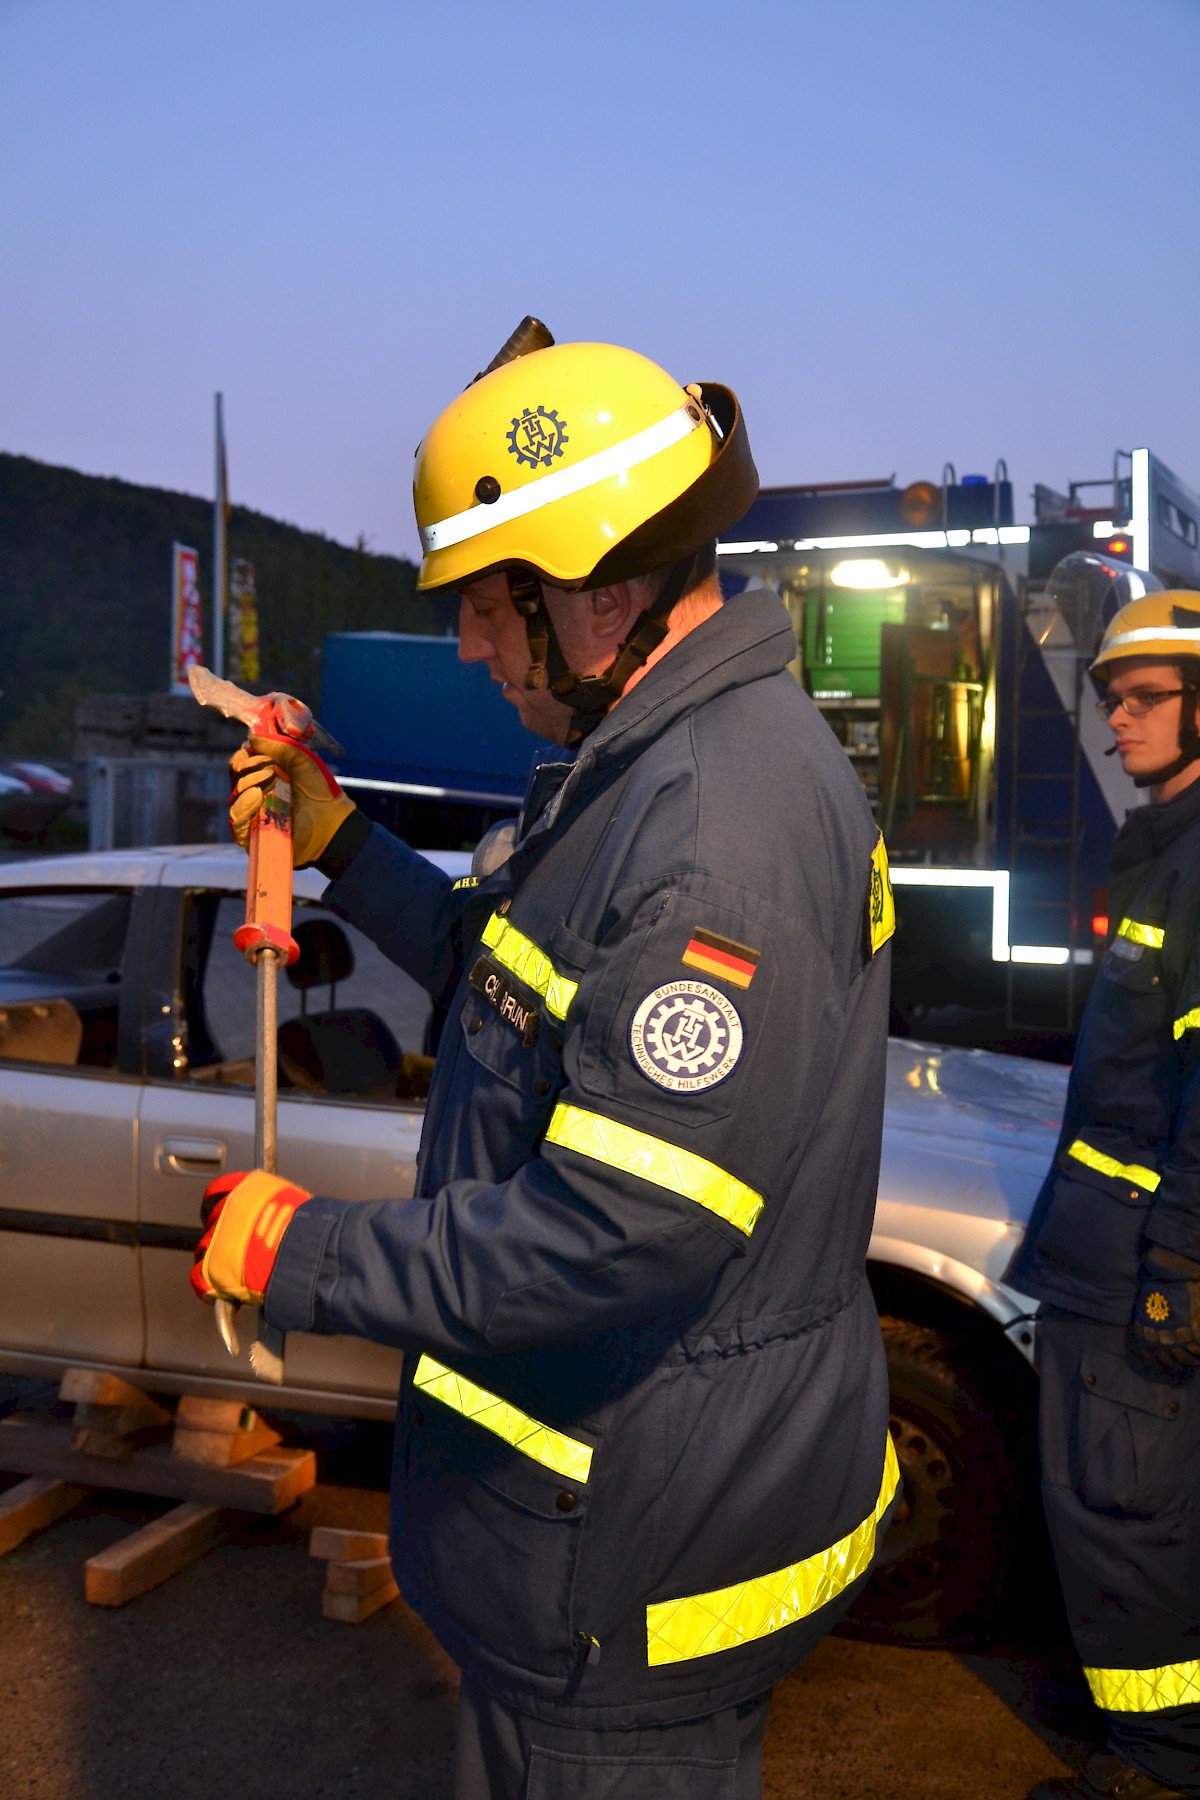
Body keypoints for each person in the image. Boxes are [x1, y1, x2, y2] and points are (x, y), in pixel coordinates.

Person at [192, 324, 899, 1799]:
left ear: (596, 589)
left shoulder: (714, 832)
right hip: (581, 1550)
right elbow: (507, 980)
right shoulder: (642, 761)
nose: (466, 644)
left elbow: (618, 1227)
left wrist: (306, 1255)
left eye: (485, 606)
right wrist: (338, 844)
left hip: (626, 1573)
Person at [1007, 583, 1200, 1800]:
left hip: (1136, 1269)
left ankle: (1162, 1766)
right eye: (1109, 700)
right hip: (1104, 1250)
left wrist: (1179, 1268)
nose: (1117, 721)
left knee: (1123, 1521)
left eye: (1141, 700)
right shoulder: (1162, 851)